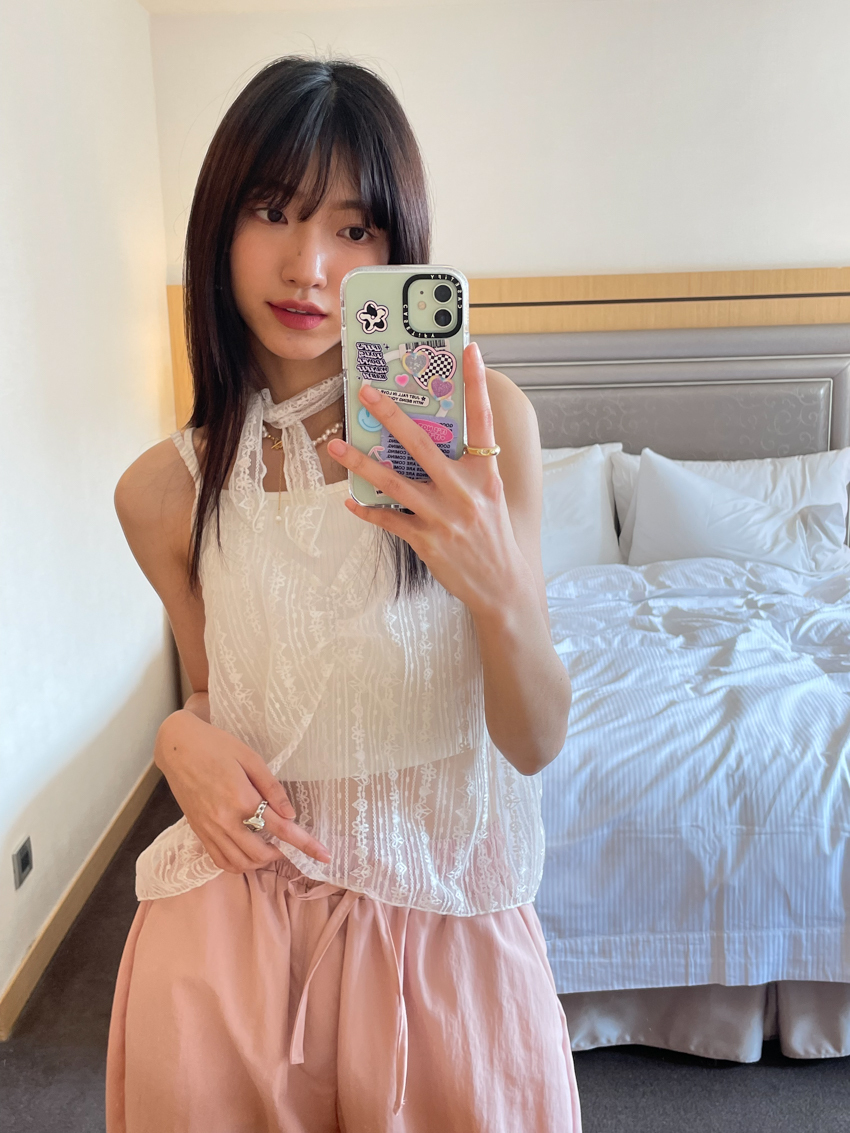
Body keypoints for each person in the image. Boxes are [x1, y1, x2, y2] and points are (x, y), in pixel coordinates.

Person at [105, 56, 581, 1133]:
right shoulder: (162, 493)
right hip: (229, 947)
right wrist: (176, 739)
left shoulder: (488, 428)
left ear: (397, 249)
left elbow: (535, 739)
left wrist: (498, 589)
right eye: (272, 210)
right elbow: (220, 700)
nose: (308, 265)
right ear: (219, 225)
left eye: (353, 228)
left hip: (443, 938)